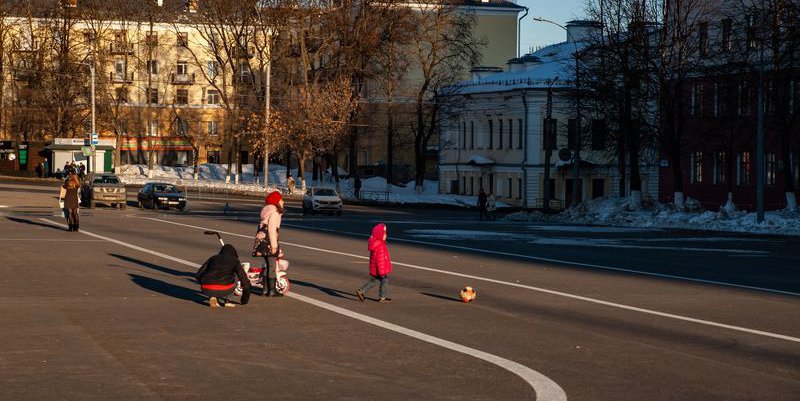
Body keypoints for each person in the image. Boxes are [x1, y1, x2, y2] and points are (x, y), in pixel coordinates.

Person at [256, 191, 285, 296]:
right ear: (276, 201)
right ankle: (272, 291)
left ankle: (265, 290)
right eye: (281, 199)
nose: (283, 201)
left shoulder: (267, 211)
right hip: (269, 241)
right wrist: (274, 246)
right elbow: (272, 230)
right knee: (272, 266)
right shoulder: (274, 213)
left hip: (262, 241)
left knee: (268, 265)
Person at [356, 223, 393, 303]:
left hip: (375, 267)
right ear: (380, 235)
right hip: (380, 268)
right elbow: (380, 260)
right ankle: (382, 297)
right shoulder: (380, 245)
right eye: (384, 233)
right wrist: (382, 272)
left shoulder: (375, 243)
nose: (386, 235)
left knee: (375, 280)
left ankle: (362, 290)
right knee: (384, 280)